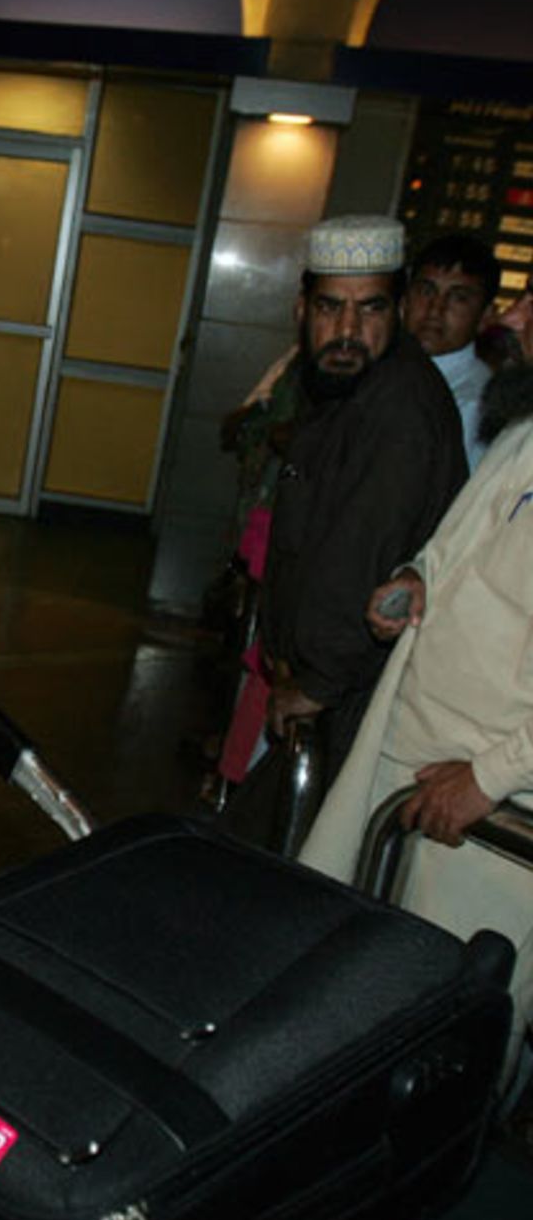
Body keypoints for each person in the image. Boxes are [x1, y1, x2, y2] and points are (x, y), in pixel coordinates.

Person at [301, 361, 533, 1106]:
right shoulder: (522, 433)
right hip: (408, 758)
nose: (520, 315)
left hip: (488, 817)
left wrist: (490, 778)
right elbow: (458, 549)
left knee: (443, 1054)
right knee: (360, 1000)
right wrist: (417, 579)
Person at [222, 215, 467, 834]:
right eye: (331, 308)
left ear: (399, 309)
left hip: (348, 698)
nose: (349, 331)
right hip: (320, 685)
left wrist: (318, 682)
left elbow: (362, 551)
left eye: (371, 309)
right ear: (302, 308)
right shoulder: (343, 385)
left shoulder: (398, 407)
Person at [401, 232, 498, 472]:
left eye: (458, 298)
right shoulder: (377, 371)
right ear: (404, 300)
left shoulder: (475, 403)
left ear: (486, 316)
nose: (436, 308)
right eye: (426, 291)